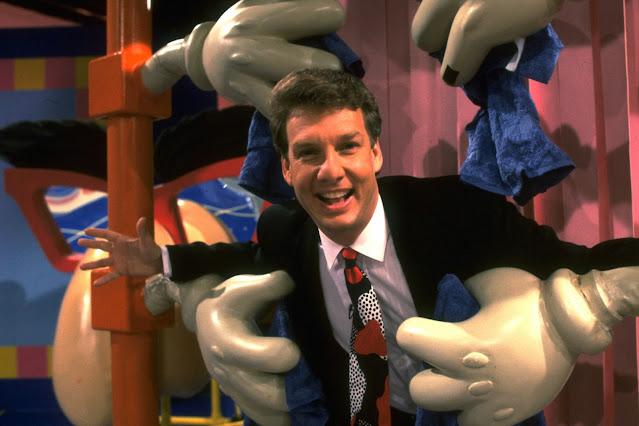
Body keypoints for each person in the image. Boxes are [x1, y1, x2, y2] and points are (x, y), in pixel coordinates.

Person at [79, 68, 639, 425]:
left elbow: (570, 260)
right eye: (308, 153)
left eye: (347, 147)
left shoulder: (457, 210)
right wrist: (162, 260)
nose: (331, 171)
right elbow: (245, 261)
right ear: (286, 168)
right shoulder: (284, 230)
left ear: (375, 153)